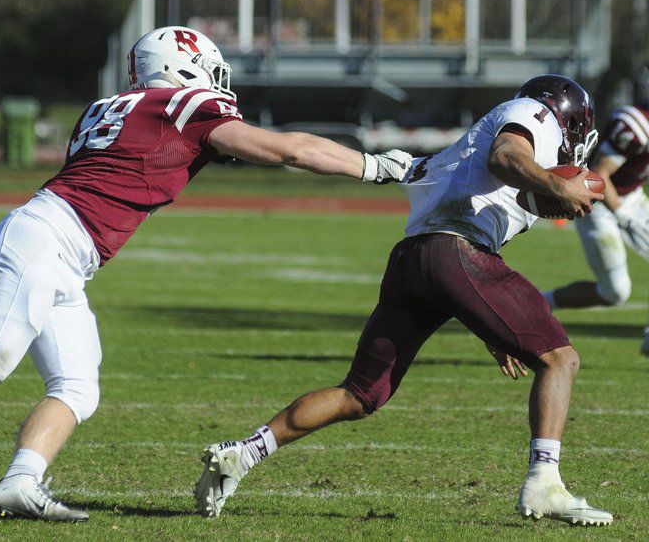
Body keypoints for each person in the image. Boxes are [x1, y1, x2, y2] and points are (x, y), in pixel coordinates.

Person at [0, 25, 412, 522]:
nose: (217, 86)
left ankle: (20, 482)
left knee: (76, 386)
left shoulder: (112, 106)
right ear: (183, 68)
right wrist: (375, 166)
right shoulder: (182, 105)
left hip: (65, 249)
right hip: (50, 238)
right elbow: (289, 149)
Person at [194, 74, 615, 527]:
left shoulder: (461, 149)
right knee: (560, 360)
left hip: (414, 262)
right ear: (571, 118)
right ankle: (545, 482)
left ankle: (244, 453)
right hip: (456, 252)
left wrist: (492, 326)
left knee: (359, 393)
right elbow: (506, 156)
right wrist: (559, 186)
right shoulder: (534, 116)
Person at [542, 86, 649, 355]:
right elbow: (601, 176)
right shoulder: (635, 126)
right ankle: (541, 303)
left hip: (632, 197)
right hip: (597, 200)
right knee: (616, 291)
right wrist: (623, 216)